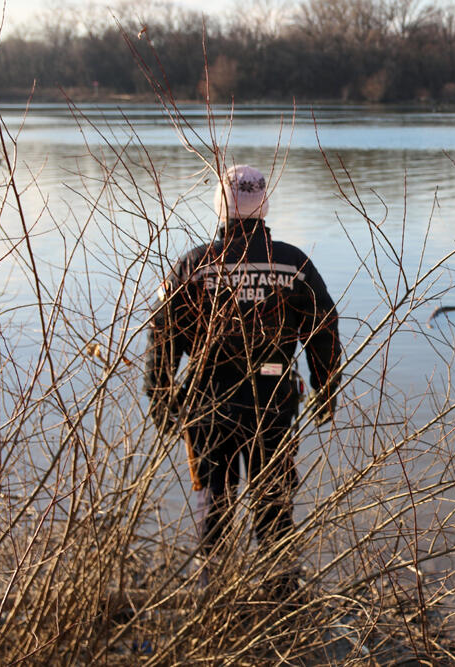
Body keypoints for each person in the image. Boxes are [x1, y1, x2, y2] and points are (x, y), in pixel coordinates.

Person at [144, 164, 342, 586]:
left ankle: (212, 591)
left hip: (208, 402)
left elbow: (162, 332)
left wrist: (160, 398)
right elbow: (324, 328)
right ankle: (280, 589)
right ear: (264, 205)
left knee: (214, 503)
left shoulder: (195, 264)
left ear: (220, 207)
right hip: (273, 400)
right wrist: (325, 390)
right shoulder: (293, 263)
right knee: (273, 501)